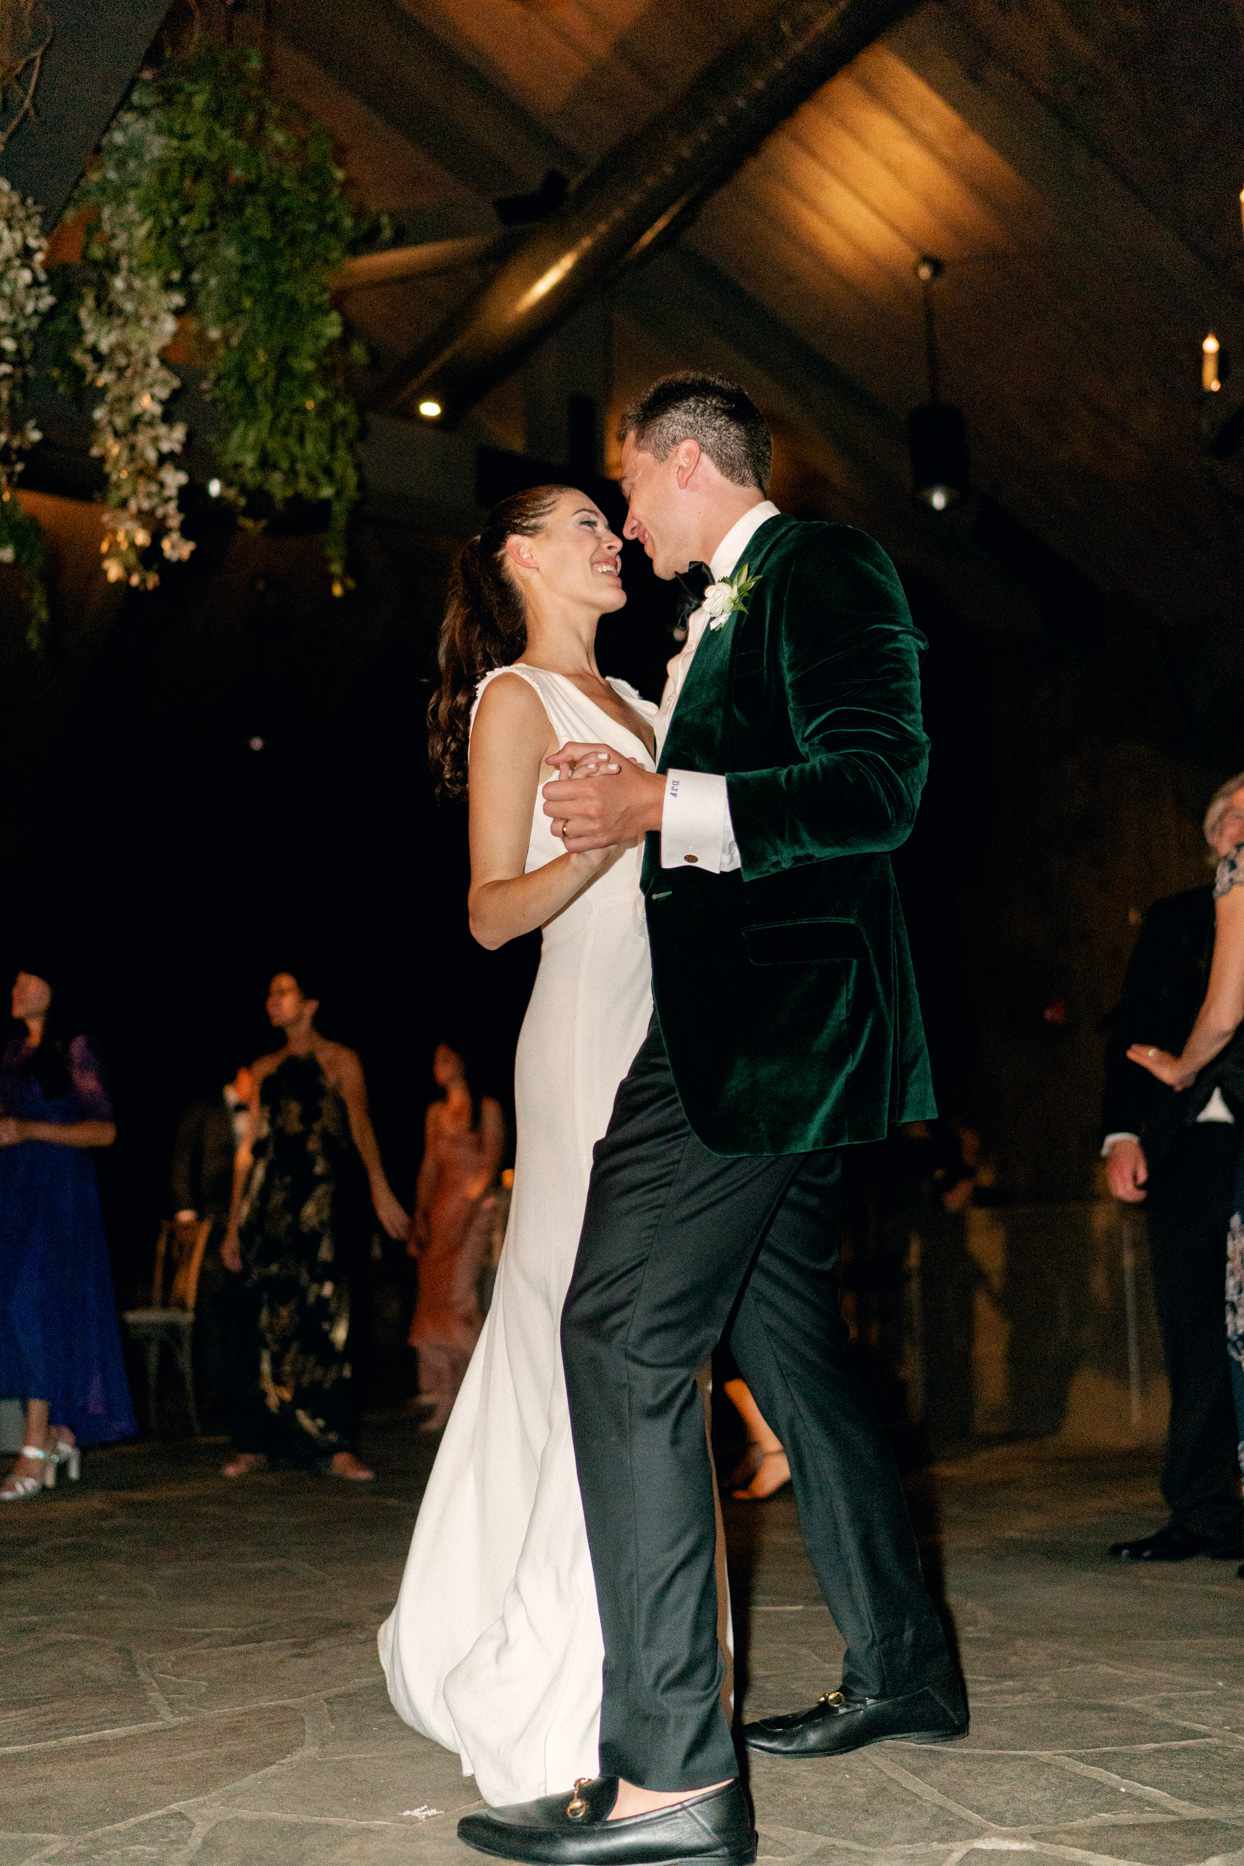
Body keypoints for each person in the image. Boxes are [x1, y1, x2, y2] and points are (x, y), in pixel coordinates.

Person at [457, 373, 963, 1866]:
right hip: (742, 1034)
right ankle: (910, 1666)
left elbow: (882, 785)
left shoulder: (819, 566)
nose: (621, 514)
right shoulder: (705, 623)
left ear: (687, 464)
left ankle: (672, 1772)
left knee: (617, 1335)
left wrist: (663, 807)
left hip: (765, 1038)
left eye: (629, 485)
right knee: (791, 1342)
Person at [378, 483, 663, 1804]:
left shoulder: (650, 706)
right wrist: (607, 844)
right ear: (516, 557)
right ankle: (563, 1680)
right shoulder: (514, 700)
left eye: (614, 524)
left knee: (629, 1345)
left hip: (669, 1048)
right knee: (575, 1333)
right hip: (580, 1045)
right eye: (582, 526)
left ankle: (632, 1652)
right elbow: (493, 914)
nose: (613, 541)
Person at [1100, 775, 1244, 1564]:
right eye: (1230, 815)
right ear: (1209, 835)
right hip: (1187, 1147)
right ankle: (1202, 1510)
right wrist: (1122, 1134)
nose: (1242, 828)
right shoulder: (1174, 919)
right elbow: (1136, 1028)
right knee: (1193, 1329)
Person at [219, 969, 408, 1482]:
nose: (272, 1002)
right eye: (270, 993)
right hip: (271, 1208)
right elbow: (247, 1149)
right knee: (266, 1323)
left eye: (283, 992)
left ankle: (336, 1444)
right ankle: (257, 1441)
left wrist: (380, 1190)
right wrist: (234, 1222)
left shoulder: (341, 1060)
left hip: (325, 1205)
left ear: (312, 1002)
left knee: (329, 1320)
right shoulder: (262, 1068)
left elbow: (361, 1127)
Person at [0, 963, 134, 1501]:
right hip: (15, 1192)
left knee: (35, 1308)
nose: (14, 988)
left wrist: (30, 1128)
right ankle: (56, 1433)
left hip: (59, 1196)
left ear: (53, 990)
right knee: (12, 1308)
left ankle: (34, 1447)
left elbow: (105, 1130)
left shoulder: (75, 1048)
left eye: (25, 981)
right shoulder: (13, 1052)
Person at [406, 1040, 505, 1430]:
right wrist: (421, 1212)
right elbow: (429, 1165)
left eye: (445, 1058)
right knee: (433, 1301)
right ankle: (447, 1398)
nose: (438, 1065)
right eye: (436, 1059)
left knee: (459, 1297)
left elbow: (491, 1159)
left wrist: (466, 1208)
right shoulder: (434, 1113)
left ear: (463, 1062)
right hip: (441, 1207)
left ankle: (490, 1388)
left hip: (473, 1207)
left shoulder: (487, 1107)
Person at [169, 1061, 254, 1426]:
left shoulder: (264, 1111)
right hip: (212, 1224)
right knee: (214, 1309)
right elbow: (182, 1162)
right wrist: (187, 1215)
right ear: (242, 1073)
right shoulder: (205, 1110)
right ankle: (213, 1401)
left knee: (248, 1312)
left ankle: (249, 1399)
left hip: (254, 1224)